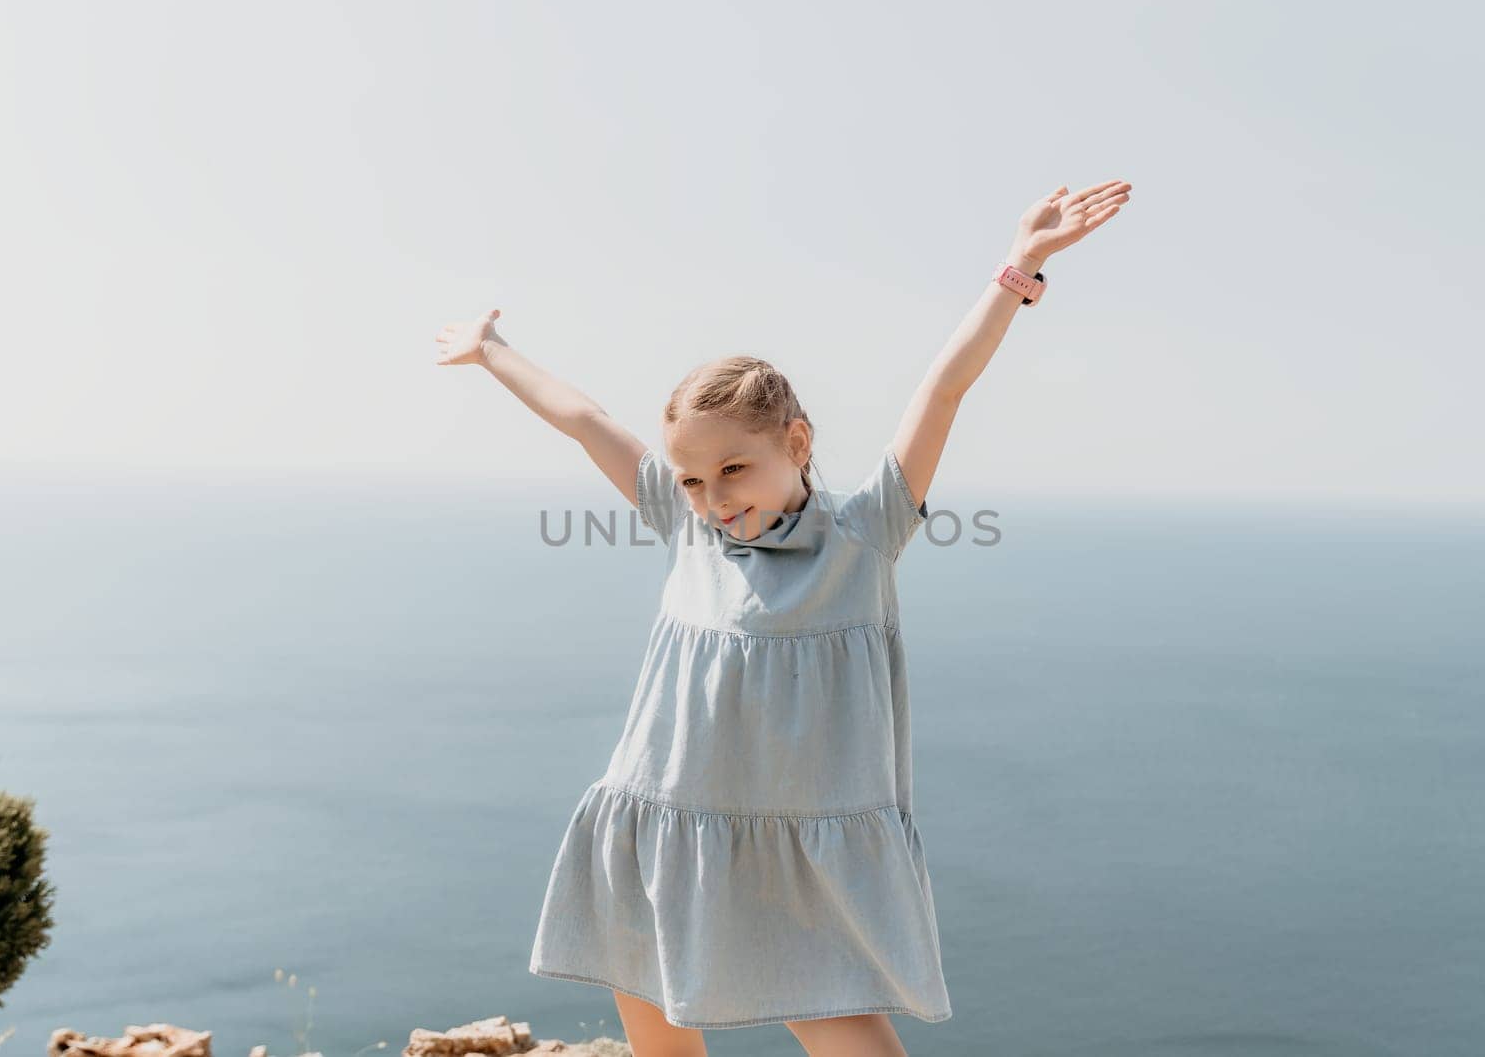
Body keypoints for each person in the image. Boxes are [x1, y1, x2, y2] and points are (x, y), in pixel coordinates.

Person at [433, 179, 1131, 1057]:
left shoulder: (866, 530)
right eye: (692, 478)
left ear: (796, 443)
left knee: (837, 1018)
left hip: (799, 845)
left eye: (734, 468)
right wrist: (492, 349)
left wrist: (1019, 267)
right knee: (650, 1002)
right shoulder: (684, 522)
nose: (713, 497)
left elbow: (943, 388)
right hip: (665, 817)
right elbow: (586, 418)